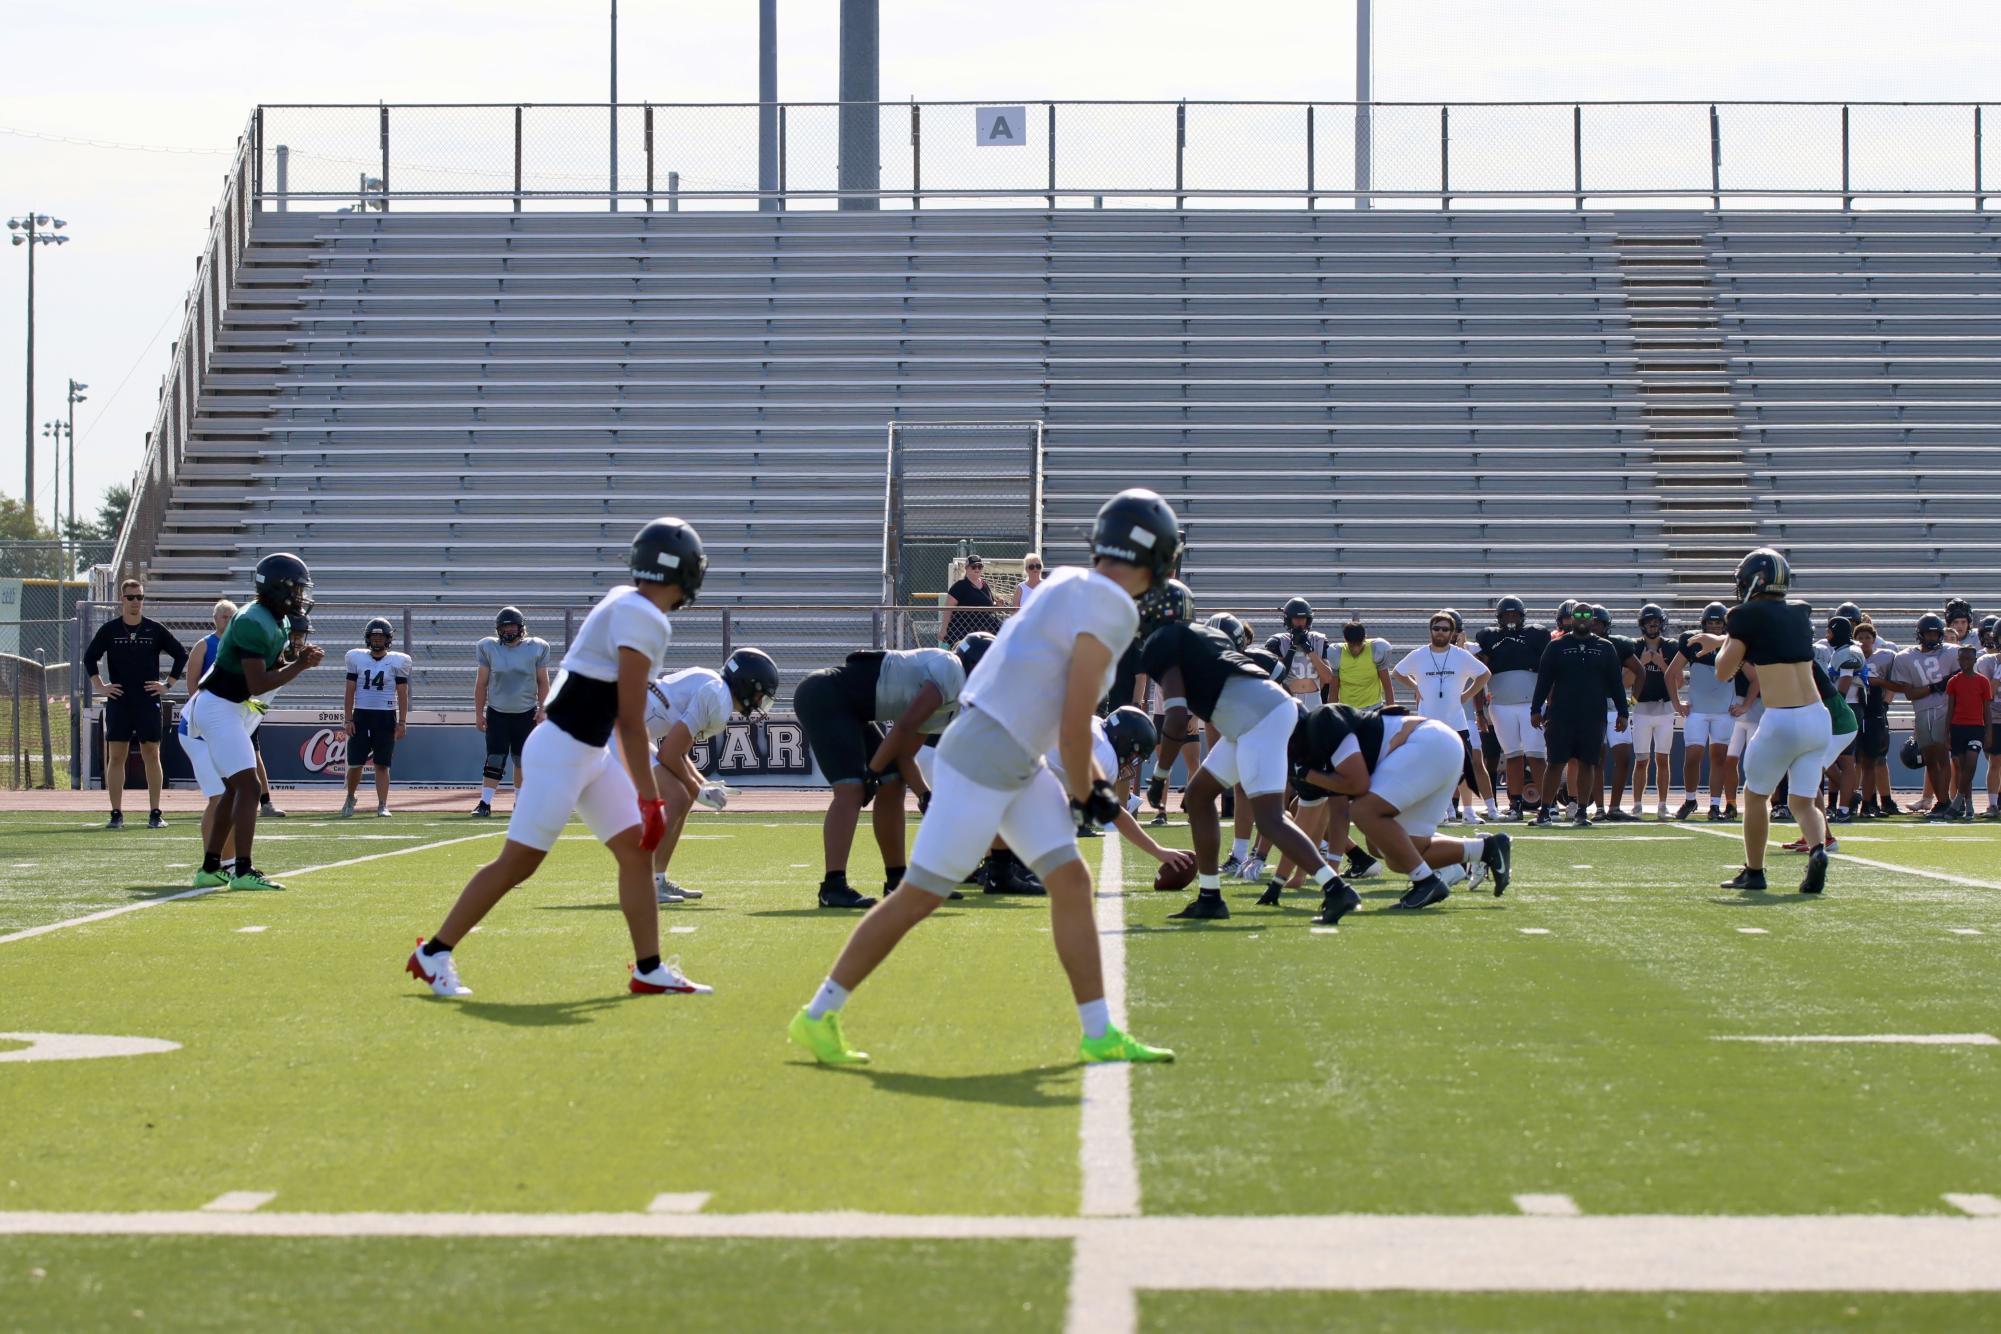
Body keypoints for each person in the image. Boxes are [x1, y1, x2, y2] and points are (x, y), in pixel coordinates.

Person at [787, 489, 1185, 1068]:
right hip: (989, 755)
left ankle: (1098, 1032)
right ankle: (818, 1014)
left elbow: (1046, 707)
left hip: (1003, 748)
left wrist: (1092, 788)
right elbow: (1073, 727)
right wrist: (1093, 791)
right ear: (1159, 556)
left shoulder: (1064, 583)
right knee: (920, 895)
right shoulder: (1113, 607)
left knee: (1069, 881)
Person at [406, 518, 712, 999]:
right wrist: (651, 801)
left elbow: (608, 707)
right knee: (518, 864)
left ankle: (649, 968)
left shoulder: (624, 601)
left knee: (636, 853)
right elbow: (630, 722)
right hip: (563, 750)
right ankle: (433, 953)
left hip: (584, 750)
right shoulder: (646, 618)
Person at [1139, 615, 1346, 924]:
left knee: (1270, 819)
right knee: (1198, 795)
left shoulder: (1166, 644)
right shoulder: (1203, 637)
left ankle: (1336, 889)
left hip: (1258, 719)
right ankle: (1210, 897)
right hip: (1251, 720)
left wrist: (1160, 774)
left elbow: (1178, 718)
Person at [1685, 548, 1834, 894]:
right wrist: (1723, 638)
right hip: (1817, 719)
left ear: (1756, 581)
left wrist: (1721, 644)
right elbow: (1766, 636)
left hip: (1782, 719)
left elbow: (1724, 671)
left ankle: (1754, 871)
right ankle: (1818, 850)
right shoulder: (1799, 613)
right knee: (1802, 800)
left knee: (1754, 795)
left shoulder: (1743, 615)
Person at [184, 554, 324, 891]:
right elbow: (258, 682)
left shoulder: (278, 620)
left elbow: (275, 664)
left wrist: (296, 657)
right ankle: (243, 871)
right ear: (280, 588)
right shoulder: (251, 620)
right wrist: (301, 666)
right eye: (297, 588)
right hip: (218, 705)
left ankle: (209, 868)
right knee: (248, 787)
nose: (302, 595)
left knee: (234, 788)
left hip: (228, 706)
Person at [1292, 703, 1514, 914]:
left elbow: (1356, 787)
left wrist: (1307, 774)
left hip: (1430, 742)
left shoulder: (1325, 727)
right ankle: (1486, 848)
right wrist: (1323, 873)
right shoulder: (1315, 747)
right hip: (1439, 747)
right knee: (1393, 854)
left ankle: (1426, 882)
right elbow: (1333, 814)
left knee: (1364, 811)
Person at [794, 641, 968, 909]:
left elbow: (904, 755)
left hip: (851, 709)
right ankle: (832, 886)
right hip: (824, 694)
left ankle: (897, 880)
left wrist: (924, 795)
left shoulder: (951, 702)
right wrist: (872, 772)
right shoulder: (951, 669)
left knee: (894, 781)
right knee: (851, 789)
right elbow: (906, 724)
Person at [645, 647, 779, 902]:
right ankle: (648, 883)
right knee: (678, 796)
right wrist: (698, 791)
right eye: (761, 694)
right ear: (748, 685)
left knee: (681, 796)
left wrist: (702, 784)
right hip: (614, 728)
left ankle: (655, 880)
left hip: (629, 728)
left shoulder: (716, 689)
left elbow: (679, 755)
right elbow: (669, 754)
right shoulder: (717, 697)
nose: (761, 702)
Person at [85, 578, 189, 830]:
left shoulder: (154, 629)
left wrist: (167, 684)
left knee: (151, 754)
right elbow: (90, 657)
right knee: (117, 755)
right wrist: (101, 686)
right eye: (130, 597)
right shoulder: (110, 630)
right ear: (122, 599)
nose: (135, 602)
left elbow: (180, 654)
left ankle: (155, 812)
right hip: (119, 700)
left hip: (147, 700)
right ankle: (116, 814)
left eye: (139, 597)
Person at [187, 601, 285, 820]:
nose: (229, 620)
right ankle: (223, 799)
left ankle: (265, 801)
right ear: (215, 619)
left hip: (244, 704)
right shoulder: (204, 645)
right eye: (224, 616)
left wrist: (258, 710)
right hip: (218, 707)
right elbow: (193, 681)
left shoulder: (245, 642)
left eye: (232, 616)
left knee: (254, 753)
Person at [1531, 606, 1627, 828]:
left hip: (1593, 715)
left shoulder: (1605, 647)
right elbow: (1544, 680)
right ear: (1571, 618)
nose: (1582, 619)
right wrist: (1535, 709)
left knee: (1588, 763)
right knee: (1555, 762)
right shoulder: (1556, 646)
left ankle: (1581, 812)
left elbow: (1616, 683)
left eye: (1586, 615)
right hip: (1561, 714)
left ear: (1593, 619)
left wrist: (1622, 712)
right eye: (1578, 615)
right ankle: (1545, 810)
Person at [1392, 611, 1492, 822]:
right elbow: (1397, 672)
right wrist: (1415, 686)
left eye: (1445, 629)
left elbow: (1485, 674)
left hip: (1456, 720)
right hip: (1428, 722)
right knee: (1433, 768)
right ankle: (1443, 811)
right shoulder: (1419, 654)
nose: (1440, 632)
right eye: (1436, 628)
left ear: (1452, 632)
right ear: (1431, 631)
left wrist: (1467, 694)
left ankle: (1468, 811)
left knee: (1464, 767)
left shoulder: (1460, 655)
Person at [1475, 596, 1551, 820]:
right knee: (1512, 755)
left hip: (1531, 704)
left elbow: (1548, 670)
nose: (1510, 619)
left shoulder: (1536, 634)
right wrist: (1480, 711)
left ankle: (1548, 804)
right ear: (1499, 617)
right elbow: (1480, 671)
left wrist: (1548, 704)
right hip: (1501, 705)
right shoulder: (1488, 637)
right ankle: (1515, 803)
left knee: (1536, 755)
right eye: (1506, 615)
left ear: (1522, 616)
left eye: (1514, 614)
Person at [472, 607, 551, 818]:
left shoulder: (537, 647)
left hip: (526, 713)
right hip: (498, 713)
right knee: (495, 759)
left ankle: (520, 803)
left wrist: (543, 709)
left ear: (521, 627)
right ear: (498, 629)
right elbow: (481, 684)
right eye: (504, 626)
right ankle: (485, 803)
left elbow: (543, 681)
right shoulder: (488, 647)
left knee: (521, 759)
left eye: (512, 626)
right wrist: (479, 713)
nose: (508, 630)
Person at [1887, 613, 1958, 821]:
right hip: (1922, 712)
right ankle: (1943, 800)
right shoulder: (1906, 657)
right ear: (1920, 634)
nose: (1933, 637)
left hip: (1945, 710)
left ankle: (1947, 802)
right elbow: (1909, 694)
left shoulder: (1952, 652)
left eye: (1936, 633)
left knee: (1944, 757)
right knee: (1930, 760)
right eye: (1929, 633)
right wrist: (1935, 686)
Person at [339, 618, 412, 819]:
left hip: (385, 716)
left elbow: (402, 693)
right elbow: (349, 691)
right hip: (361, 715)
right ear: (368, 638)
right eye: (374, 636)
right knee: (355, 764)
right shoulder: (356, 658)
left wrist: (403, 721)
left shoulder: (398, 661)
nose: (377, 640)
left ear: (388, 639)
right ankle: (350, 797)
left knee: (382, 764)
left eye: (381, 636)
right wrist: (348, 719)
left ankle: (382, 804)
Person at [1669, 602, 1735, 821]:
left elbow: (1754, 678)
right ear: (1704, 624)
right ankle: (1690, 799)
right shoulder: (1693, 642)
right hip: (1698, 711)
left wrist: (1744, 704)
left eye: (1718, 623)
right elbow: (1670, 674)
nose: (1715, 627)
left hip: (1723, 712)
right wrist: (1677, 703)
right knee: (1692, 757)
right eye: (1711, 623)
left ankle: (1715, 805)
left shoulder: (1734, 646)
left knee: (1718, 759)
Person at [1592, 607, 1644, 821]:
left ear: (1606, 625)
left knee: (1623, 757)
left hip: (1615, 706)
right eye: (1591, 622)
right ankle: (1599, 809)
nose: (1594, 626)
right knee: (1597, 758)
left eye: (1598, 623)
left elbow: (1640, 672)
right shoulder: (1576, 644)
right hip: (1590, 706)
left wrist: (1633, 701)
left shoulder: (1618, 644)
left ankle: (1614, 807)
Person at [1628, 604, 1679, 819]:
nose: (1653, 626)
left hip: (1664, 708)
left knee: (1662, 758)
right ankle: (1637, 804)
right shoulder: (1634, 646)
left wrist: (1661, 664)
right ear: (1642, 625)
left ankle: (1662, 804)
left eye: (1656, 622)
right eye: (1649, 623)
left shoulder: (1671, 647)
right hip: (1640, 708)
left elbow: (1678, 682)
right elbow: (1626, 681)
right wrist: (1642, 664)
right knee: (1641, 759)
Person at [1814, 615, 1867, 822]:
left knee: (1844, 762)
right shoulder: (1841, 651)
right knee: (1836, 762)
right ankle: (1847, 799)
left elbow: (1845, 679)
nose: (1827, 636)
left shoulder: (1849, 652)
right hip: (1843, 709)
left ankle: (1845, 806)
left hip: (1847, 710)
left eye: (1830, 631)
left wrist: (1838, 704)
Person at [1851, 619, 1895, 819]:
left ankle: (1872, 803)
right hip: (1855, 712)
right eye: (1860, 638)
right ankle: (1851, 800)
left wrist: (1885, 703)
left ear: (1874, 640)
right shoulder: (1849, 658)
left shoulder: (1884, 657)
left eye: (1868, 638)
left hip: (1875, 713)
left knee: (1874, 759)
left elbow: (1892, 683)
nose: (1864, 641)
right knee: (1854, 760)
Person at [1943, 645, 1992, 820]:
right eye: (1961, 659)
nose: (1964, 662)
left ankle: (1957, 802)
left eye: (1968, 659)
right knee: (1962, 769)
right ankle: (1968, 807)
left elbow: (1987, 709)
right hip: (1957, 728)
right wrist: (1947, 732)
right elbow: (1950, 709)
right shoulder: (1953, 681)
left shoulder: (1983, 681)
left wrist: (1988, 732)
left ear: (1974, 660)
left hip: (1976, 728)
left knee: (1970, 764)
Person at [1265, 597, 1335, 703]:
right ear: (1289, 620)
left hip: (1314, 697)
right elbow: (1279, 675)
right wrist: (1293, 647)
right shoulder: (1279, 641)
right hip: (1290, 697)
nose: (1300, 622)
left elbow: (1328, 677)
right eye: (1296, 618)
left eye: (1303, 618)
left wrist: (1309, 649)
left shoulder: (1317, 640)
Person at [940, 554, 1002, 644]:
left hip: (986, 631)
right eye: (973, 567)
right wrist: (943, 629)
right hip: (964, 631)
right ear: (966, 568)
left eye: (980, 566)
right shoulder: (959, 586)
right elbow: (948, 609)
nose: (977, 569)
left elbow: (989, 606)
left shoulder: (985, 585)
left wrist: (997, 605)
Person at [1334, 619, 1394, 709]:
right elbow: (1334, 688)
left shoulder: (1375, 650)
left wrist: (1392, 714)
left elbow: (1387, 686)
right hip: (1347, 710)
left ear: (1365, 638)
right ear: (1345, 640)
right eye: (1352, 645)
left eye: (1359, 644)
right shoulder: (1337, 653)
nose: (1356, 649)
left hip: (1373, 708)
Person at [1977, 630, 2001, 818]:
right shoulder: (1987, 662)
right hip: (1994, 718)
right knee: (1995, 761)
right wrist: (1998, 673)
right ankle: (1992, 805)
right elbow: (1988, 693)